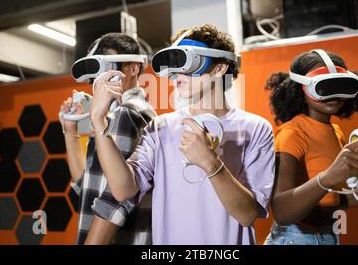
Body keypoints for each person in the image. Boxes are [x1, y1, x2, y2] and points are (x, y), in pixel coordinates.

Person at [90, 24, 275, 244]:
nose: (178, 73)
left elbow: (247, 215)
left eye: (188, 61)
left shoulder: (256, 129)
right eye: (174, 65)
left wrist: (211, 163)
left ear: (219, 68)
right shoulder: (160, 127)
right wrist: (99, 121)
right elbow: (123, 190)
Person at [264, 49, 358, 245]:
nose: (333, 94)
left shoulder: (336, 131)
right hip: (294, 238)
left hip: (328, 236)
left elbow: (329, 200)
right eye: (323, 87)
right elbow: (281, 211)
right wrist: (329, 177)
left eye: (339, 85)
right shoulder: (292, 133)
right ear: (300, 88)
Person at [60, 33, 156, 245]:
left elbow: (115, 198)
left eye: (108, 64)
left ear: (133, 68)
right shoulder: (111, 117)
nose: (100, 77)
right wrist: (70, 130)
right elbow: (86, 185)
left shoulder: (127, 114)